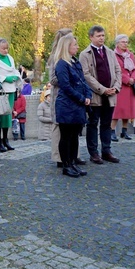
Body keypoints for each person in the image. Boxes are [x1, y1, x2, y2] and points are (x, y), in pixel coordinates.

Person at [79, 25, 122, 164]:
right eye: (98, 36)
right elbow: (85, 75)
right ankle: (93, 153)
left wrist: (116, 87)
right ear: (91, 37)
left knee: (106, 124)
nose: (101, 38)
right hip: (95, 95)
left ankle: (106, 151)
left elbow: (118, 71)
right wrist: (102, 89)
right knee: (92, 124)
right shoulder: (85, 54)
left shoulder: (110, 52)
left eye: (103, 35)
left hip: (110, 96)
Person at [53, 34, 91, 178]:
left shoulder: (75, 62)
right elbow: (66, 86)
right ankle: (66, 165)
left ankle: (73, 163)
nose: (77, 47)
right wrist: (82, 98)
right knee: (66, 136)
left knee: (75, 136)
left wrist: (88, 96)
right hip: (67, 106)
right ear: (67, 47)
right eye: (74, 45)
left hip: (78, 105)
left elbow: (83, 81)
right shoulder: (62, 64)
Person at [47, 28, 86, 168]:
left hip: (73, 98)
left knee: (73, 129)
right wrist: (67, 80)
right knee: (60, 127)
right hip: (61, 96)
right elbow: (53, 79)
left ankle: (73, 156)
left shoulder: (73, 59)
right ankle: (60, 157)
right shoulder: (56, 58)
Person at [0, 38, 21, 151]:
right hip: (1, 90)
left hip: (11, 89)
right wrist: (4, 78)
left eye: (7, 48)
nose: (6, 50)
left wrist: (16, 77)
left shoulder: (10, 58)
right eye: (3, 48)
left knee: (7, 115)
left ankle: (6, 139)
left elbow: (14, 70)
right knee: (0, 115)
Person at [110, 34, 135, 141]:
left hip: (130, 87)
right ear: (117, 43)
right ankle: (112, 131)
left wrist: (133, 78)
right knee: (117, 110)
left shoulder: (130, 55)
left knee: (127, 111)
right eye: (123, 42)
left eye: (126, 42)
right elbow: (114, 70)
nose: (125, 44)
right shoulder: (113, 55)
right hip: (120, 86)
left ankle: (124, 131)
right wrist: (127, 79)